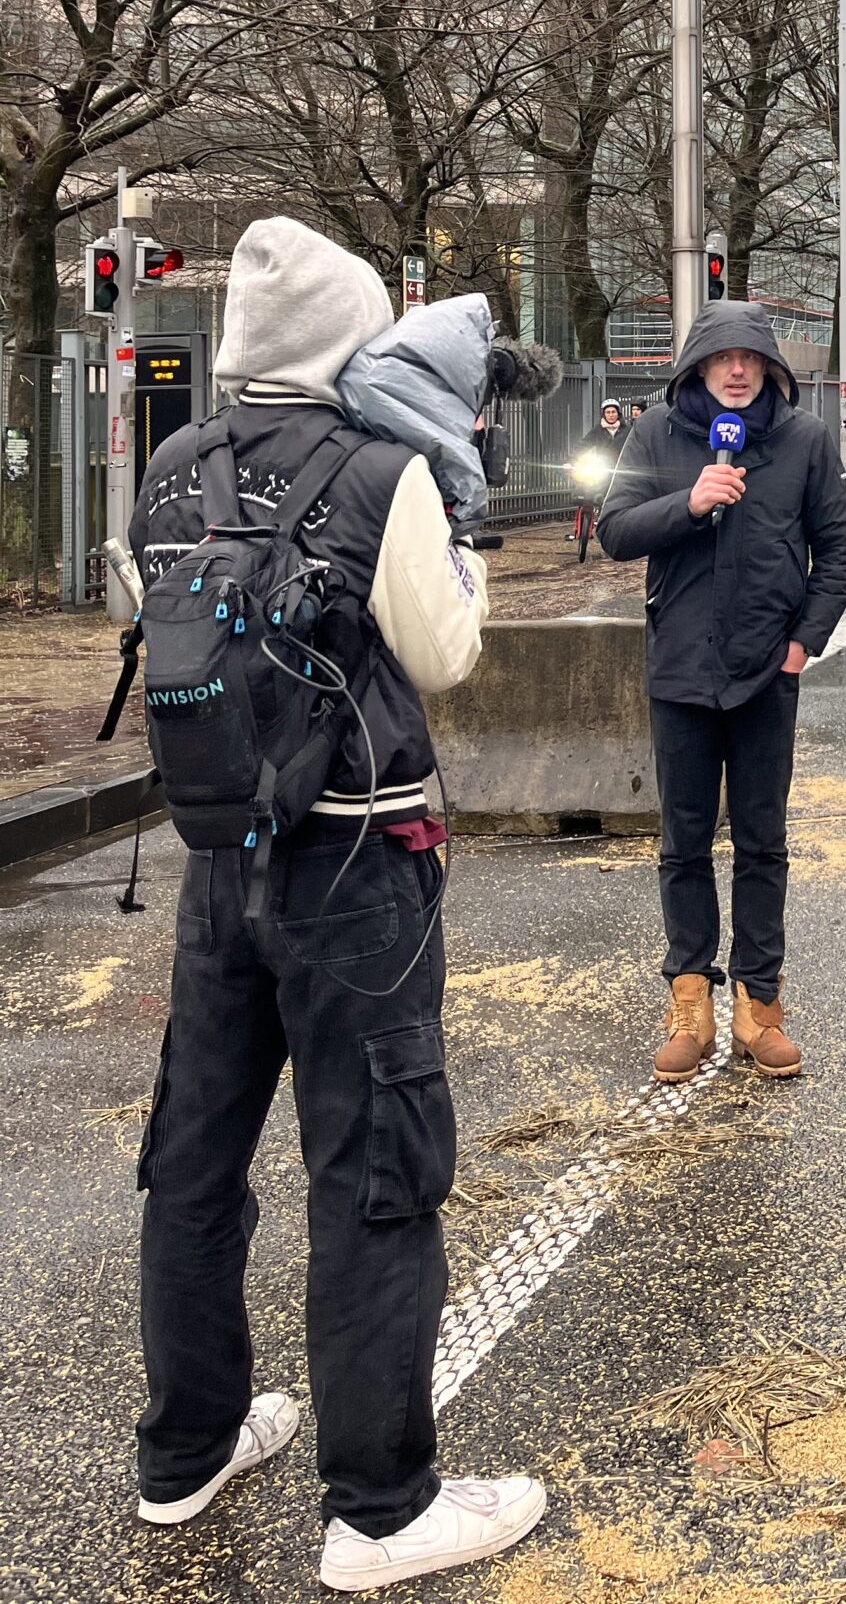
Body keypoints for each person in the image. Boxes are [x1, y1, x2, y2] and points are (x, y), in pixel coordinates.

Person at [128, 217, 544, 1593]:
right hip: (361, 864)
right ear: (347, 338)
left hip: (217, 859)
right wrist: (461, 540)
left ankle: (186, 1452)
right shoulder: (386, 472)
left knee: (194, 1160)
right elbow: (447, 650)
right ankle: (380, 1507)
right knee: (375, 1174)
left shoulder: (172, 467)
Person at [599, 301, 846, 1083]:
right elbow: (615, 531)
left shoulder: (805, 442)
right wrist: (689, 502)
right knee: (682, 845)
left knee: (762, 842)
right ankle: (691, 1008)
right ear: (698, 369)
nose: (738, 371)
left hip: (763, 677)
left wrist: (802, 643)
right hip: (679, 672)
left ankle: (760, 1007)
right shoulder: (655, 435)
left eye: (752, 359)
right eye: (722, 359)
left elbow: (841, 550)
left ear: (772, 370)